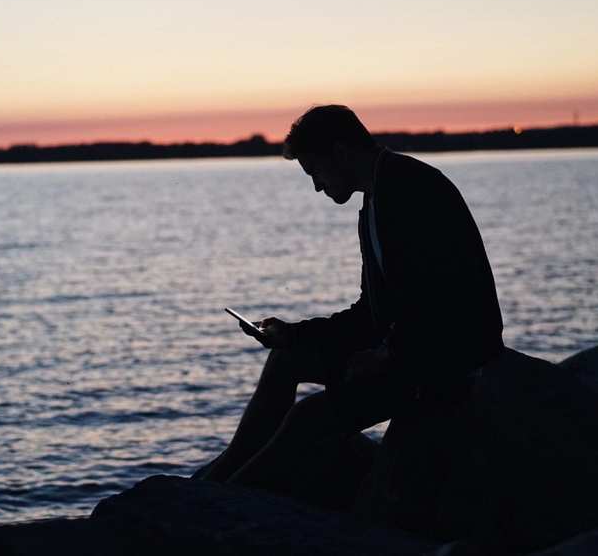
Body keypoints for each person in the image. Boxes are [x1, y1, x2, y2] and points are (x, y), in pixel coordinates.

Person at [195, 104, 504, 489]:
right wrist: (294, 333)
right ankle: (224, 476)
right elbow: (369, 315)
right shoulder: (375, 201)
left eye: (315, 172)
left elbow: (441, 303)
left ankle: (229, 495)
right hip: (407, 351)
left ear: (340, 153)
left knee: (310, 417)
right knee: (285, 359)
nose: (317, 186)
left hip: (446, 360)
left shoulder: (411, 190)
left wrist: (385, 355)